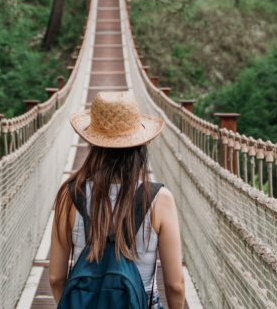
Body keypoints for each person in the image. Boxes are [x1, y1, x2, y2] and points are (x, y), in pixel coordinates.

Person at [49, 90, 186, 309]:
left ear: (92, 144)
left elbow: (56, 279)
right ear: (141, 145)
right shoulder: (159, 199)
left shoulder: (70, 195)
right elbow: (175, 285)